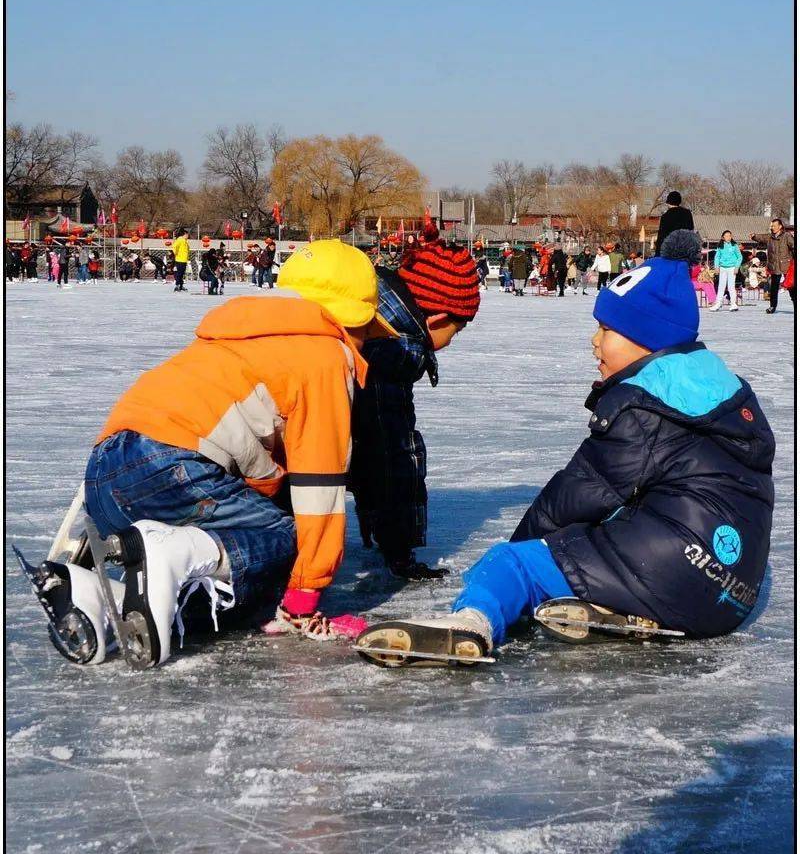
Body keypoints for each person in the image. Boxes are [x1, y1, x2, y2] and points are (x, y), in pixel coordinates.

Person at [355, 231, 775, 664]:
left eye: (608, 329)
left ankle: (471, 622)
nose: (596, 341)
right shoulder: (731, 396)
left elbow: (577, 493)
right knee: (618, 526)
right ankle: (618, 609)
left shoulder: (642, 404)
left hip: (667, 570)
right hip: (731, 595)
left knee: (512, 564)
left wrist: (521, 551)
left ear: (648, 341)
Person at [53, 240, 397, 669]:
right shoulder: (325, 354)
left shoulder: (237, 333)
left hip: (104, 470)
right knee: (283, 550)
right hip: (176, 465)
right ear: (349, 318)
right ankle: (173, 551)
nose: (365, 344)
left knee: (202, 568)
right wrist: (304, 596)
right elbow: (319, 483)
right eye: (366, 331)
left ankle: (101, 596)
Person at [351, 223, 480, 582]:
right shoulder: (397, 349)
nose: (451, 342)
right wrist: (400, 547)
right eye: (456, 330)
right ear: (436, 316)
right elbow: (392, 457)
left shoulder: (366, 314)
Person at [758, 218, 795, 314]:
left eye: (774, 225)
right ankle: (772, 306)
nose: (772, 227)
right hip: (774, 266)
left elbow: (794, 246)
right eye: (771, 226)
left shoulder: (787, 236)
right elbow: (762, 237)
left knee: (791, 286)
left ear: (780, 226)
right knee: (774, 288)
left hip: (786, 264)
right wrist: (754, 236)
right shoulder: (770, 237)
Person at [709, 230, 742, 312]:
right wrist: (717, 267)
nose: (728, 237)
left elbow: (739, 257)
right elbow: (717, 257)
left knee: (731, 286)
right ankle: (718, 303)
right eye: (726, 236)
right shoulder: (720, 246)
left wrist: (737, 267)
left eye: (729, 236)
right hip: (723, 268)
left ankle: (733, 304)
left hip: (732, 268)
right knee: (721, 286)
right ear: (723, 237)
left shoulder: (734, 245)